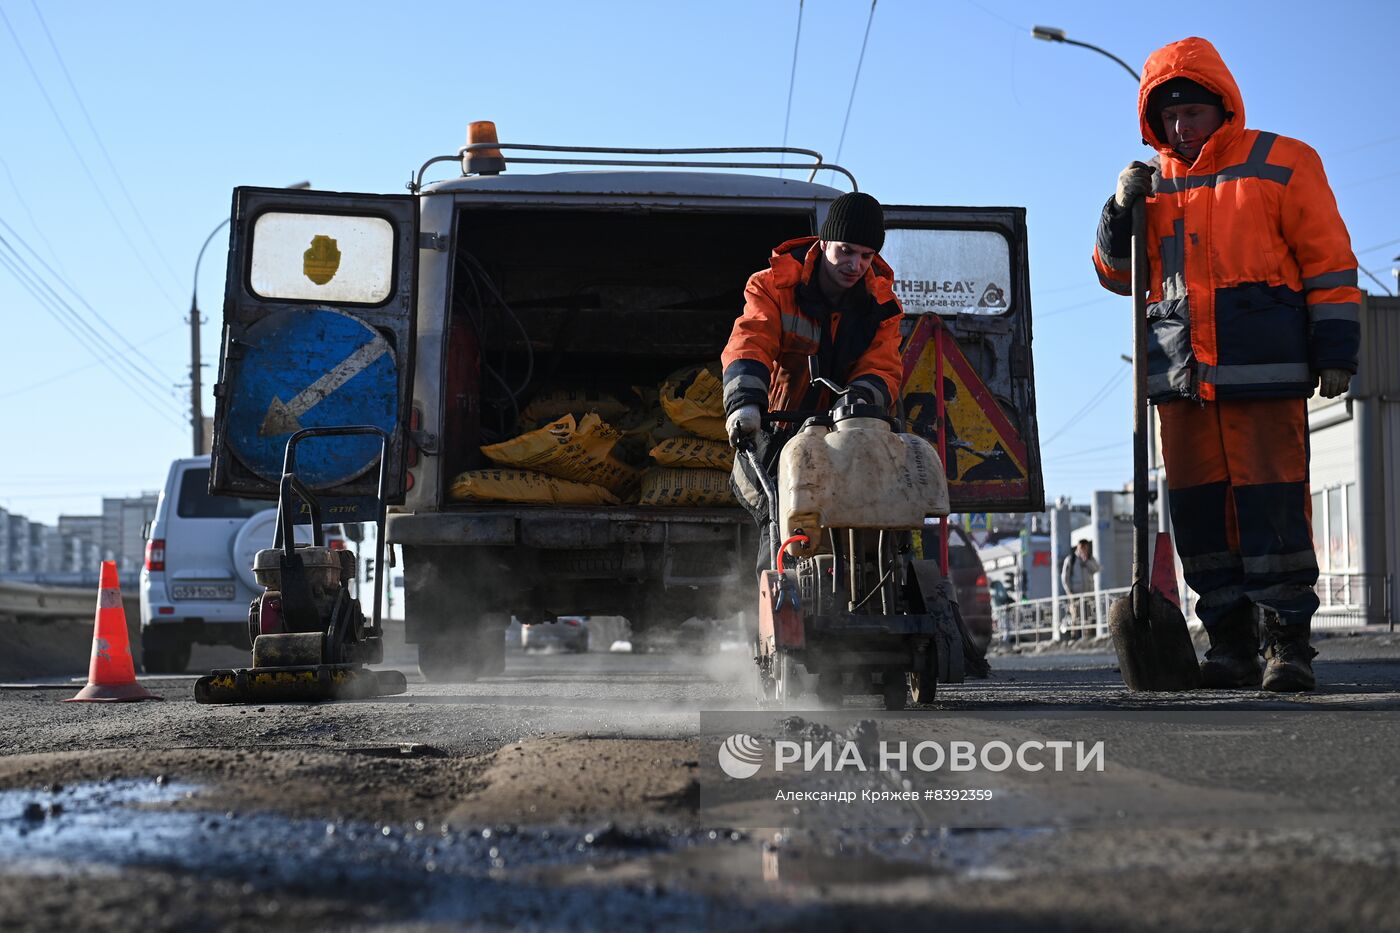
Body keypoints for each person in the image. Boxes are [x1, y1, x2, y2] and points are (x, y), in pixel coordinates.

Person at [1092, 37, 1360, 691]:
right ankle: (1230, 645)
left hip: (1262, 372)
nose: (1181, 128)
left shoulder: (1285, 163)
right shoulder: (1147, 188)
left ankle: (1285, 646)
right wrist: (1117, 211)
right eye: (1170, 118)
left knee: (1274, 513)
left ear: (1223, 108)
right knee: (1201, 519)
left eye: (1192, 113)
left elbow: (1329, 264)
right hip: (1181, 381)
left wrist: (1336, 352)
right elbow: (1115, 275)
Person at [721, 191, 904, 576]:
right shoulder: (772, 286)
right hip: (778, 432)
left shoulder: (881, 307)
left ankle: (863, 596)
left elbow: (882, 368)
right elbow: (751, 341)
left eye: (867, 256)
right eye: (846, 251)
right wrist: (745, 403)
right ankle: (777, 606)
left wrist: (853, 414)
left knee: (871, 519)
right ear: (823, 244)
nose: (855, 265)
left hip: (848, 435)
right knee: (783, 519)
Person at [1059, 539, 1100, 640]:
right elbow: (1065, 578)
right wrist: (1069, 592)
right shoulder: (1071, 559)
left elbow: (1096, 569)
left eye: (1086, 548)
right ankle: (1074, 637)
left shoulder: (1090, 559)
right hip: (1075, 594)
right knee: (1075, 616)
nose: (1084, 550)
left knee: (1088, 615)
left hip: (1088, 594)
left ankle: (1087, 637)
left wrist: (1087, 561)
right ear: (1078, 547)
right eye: (1082, 547)